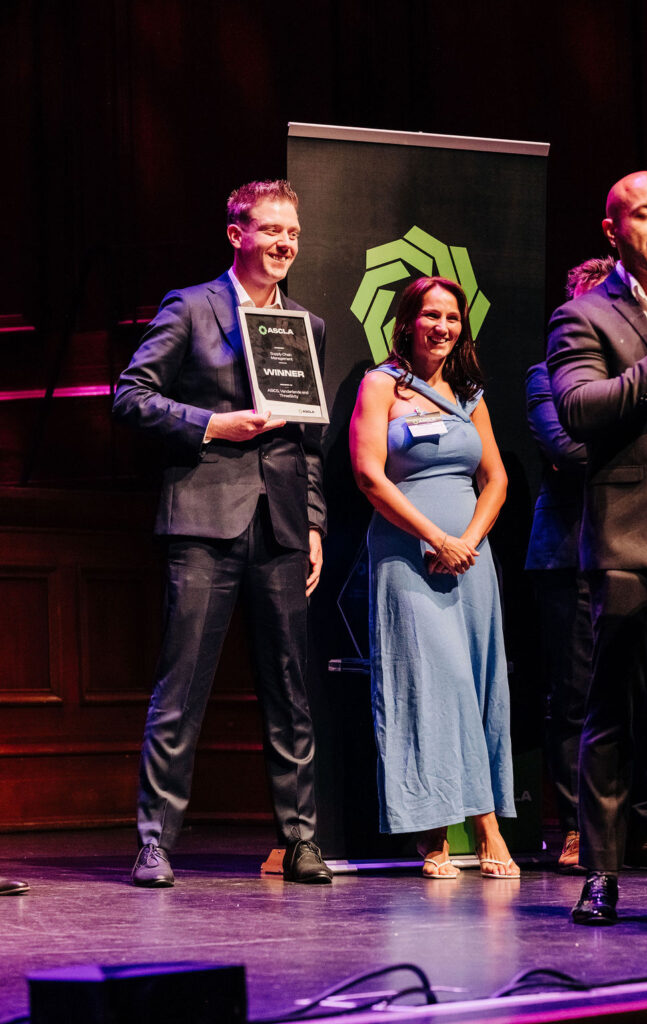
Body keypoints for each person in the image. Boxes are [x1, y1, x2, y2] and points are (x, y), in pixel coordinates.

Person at [113, 179, 332, 886]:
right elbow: (130, 396)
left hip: (281, 526)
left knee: (291, 689)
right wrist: (210, 423)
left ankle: (300, 839)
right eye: (271, 230)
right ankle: (155, 841)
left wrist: (313, 522)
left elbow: (309, 443)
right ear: (237, 234)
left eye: (292, 233)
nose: (283, 244)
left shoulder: (305, 324)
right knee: (181, 686)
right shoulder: (191, 306)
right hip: (204, 520)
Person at [547, 171, 647, 924]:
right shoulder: (584, 315)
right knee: (612, 713)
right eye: (644, 214)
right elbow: (578, 408)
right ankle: (600, 872)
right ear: (613, 231)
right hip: (632, 539)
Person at [349, 276, 518, 879]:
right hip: (410, 557)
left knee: (477, 683)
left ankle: (476, 819)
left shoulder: (470, 395)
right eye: (431, 315)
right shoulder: (381, 385)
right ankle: (443, 827)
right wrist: (435, 537)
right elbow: (369, 475)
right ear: (407, 322)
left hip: (471, 560)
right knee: (429, 683)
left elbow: (496, 479)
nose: (442, 327)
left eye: (452, 317)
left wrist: (466, 540)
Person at [525, 256, 614, 873]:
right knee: (575, 696)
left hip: (639, 546)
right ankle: (577, 827)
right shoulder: (544, 375)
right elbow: (565, 448)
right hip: (568, 552)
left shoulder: (646, 375)